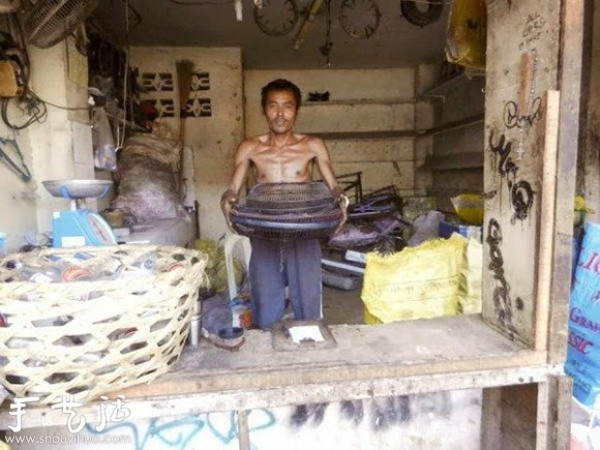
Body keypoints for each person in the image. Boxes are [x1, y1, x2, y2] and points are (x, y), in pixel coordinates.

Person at [220, 78, 348, 329]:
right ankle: (270, 351)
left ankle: (308, 344)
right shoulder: (249, 147)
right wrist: (227, 199)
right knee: (265, 299)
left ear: (296, 110)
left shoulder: (312, 145)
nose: (280, 114)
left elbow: (333, 184)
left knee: (307, 298)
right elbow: (233, 188)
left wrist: (340, 197)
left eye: (287, 106)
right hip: (265, 228)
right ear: (264, 110)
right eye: (273, 106)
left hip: (304, 227)